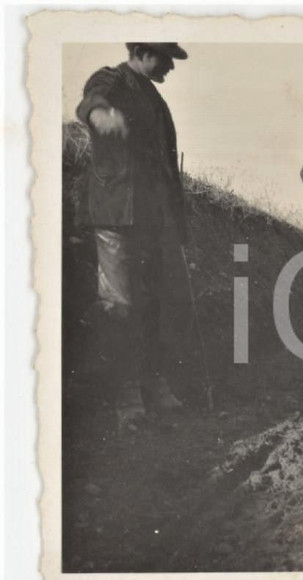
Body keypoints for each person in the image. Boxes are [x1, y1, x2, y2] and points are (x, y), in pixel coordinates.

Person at [75, 42, 189, 428]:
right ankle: (126, 395)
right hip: (115, 215)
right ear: (141, 51)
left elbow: (167, 167)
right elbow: (91, 100)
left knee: (152, 303)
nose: (171, 66)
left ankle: (153, 381)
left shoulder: (156, 101)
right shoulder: (112, 80)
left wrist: (176, 220)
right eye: (165, 57)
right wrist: (100, 114)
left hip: (151, 218)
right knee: (119, 306)